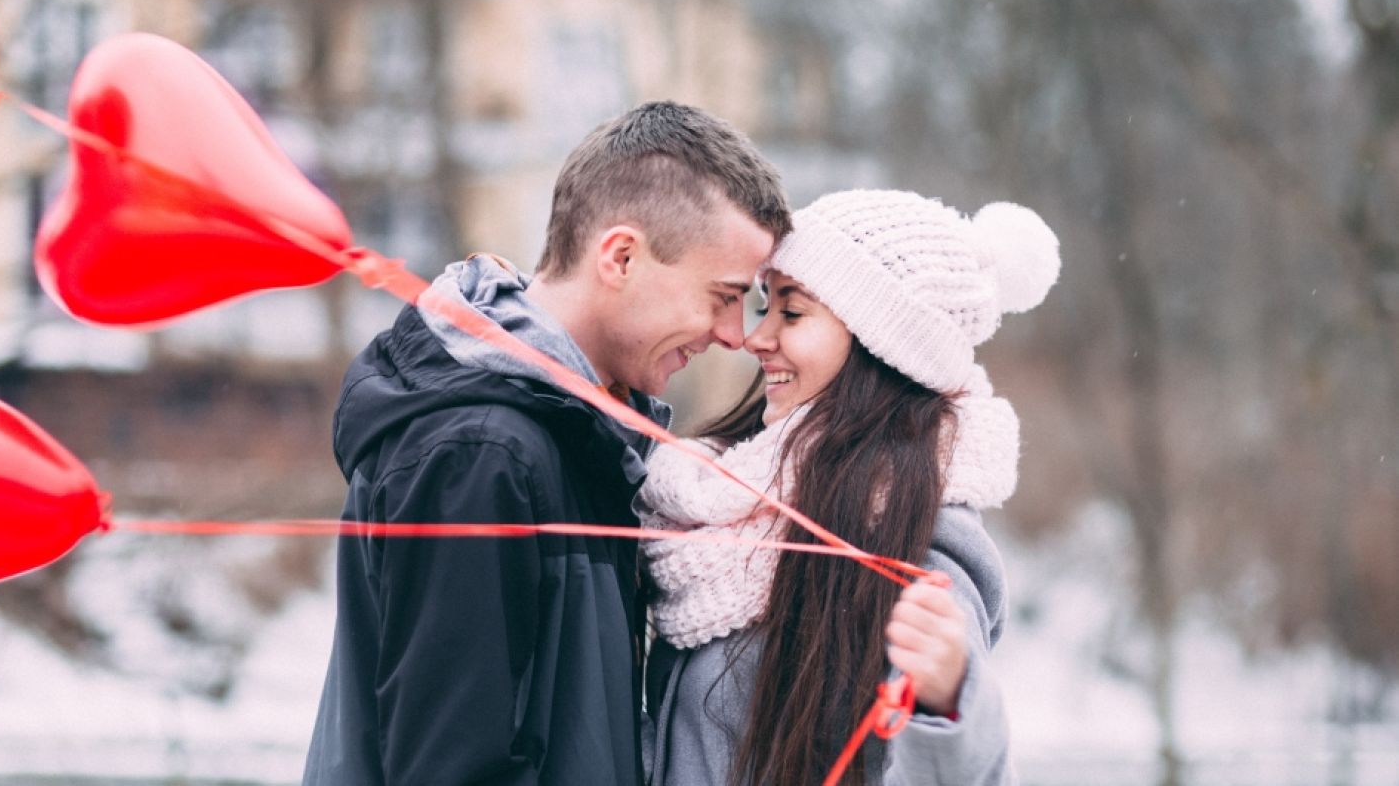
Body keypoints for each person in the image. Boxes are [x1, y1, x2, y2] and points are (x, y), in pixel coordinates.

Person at [302, 101, 791, 786]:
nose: (734, 334)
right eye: (721, 295)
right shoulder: (481, 453)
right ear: (620, 256)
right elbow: (453, 769)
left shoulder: (576, 438)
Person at [640, 189, 1060, 784]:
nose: (758, 338)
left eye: (792, 312)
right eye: (766, 306)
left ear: (880, 345)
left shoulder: (918, 539)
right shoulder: (712, 509)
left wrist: (946, 702)